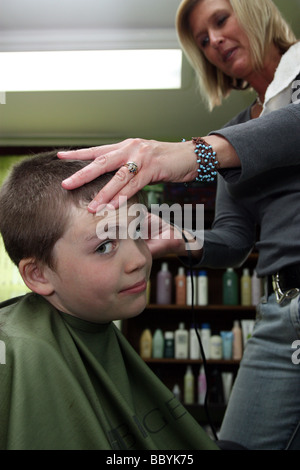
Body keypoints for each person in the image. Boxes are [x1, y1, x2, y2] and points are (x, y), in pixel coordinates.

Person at [57, 0, 300, 450]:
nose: (214, 42)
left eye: (221, 20)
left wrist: (198, 153)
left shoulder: (225, 141)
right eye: (202, 40)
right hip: (279, 312)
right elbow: (233, 238)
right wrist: (177, 235)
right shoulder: (236, 128)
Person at [0, 151, 219, 451]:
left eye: (138, 231)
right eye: (104, 246)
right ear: (38, 274)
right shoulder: (19, 353)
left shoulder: (92, 323)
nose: (140, 259)